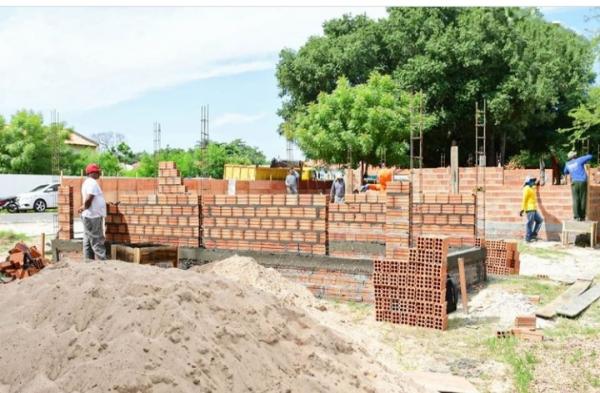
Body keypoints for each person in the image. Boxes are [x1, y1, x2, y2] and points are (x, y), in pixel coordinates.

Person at [78, 163, 107, 260]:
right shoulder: (92, 183)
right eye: (98, 172)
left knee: (87, 240)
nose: (99, 173)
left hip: (89, 216)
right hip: (92, 217)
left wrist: (84, 208)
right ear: (92, 173)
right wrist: (84, 207)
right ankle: (103, 263)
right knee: (97, 240)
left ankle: (88, 262)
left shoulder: (88, 182)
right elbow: (89, 198)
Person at [564, 151, 593, 221]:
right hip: (582, 181)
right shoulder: (579, 160)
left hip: (574, 182)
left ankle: (576, 217)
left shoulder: (567, 164)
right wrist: (585, 156)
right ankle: (582, 216)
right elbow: (590, 156)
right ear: (574, 156)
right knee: (583, 198)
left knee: (575, 199)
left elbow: (565, 172)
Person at [519, 176, 543, 242]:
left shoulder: (531, 187)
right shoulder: (526, 188)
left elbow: (535, 186)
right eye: (532, 181)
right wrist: (522, 209)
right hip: (529, 209)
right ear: (528, 182)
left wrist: (537, 183)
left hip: (534, 209)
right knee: (530, 223)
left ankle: (533, 235)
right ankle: (527, 238)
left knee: (540, 220)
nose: (533, 182)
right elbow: (524, 199)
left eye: (533, 181)